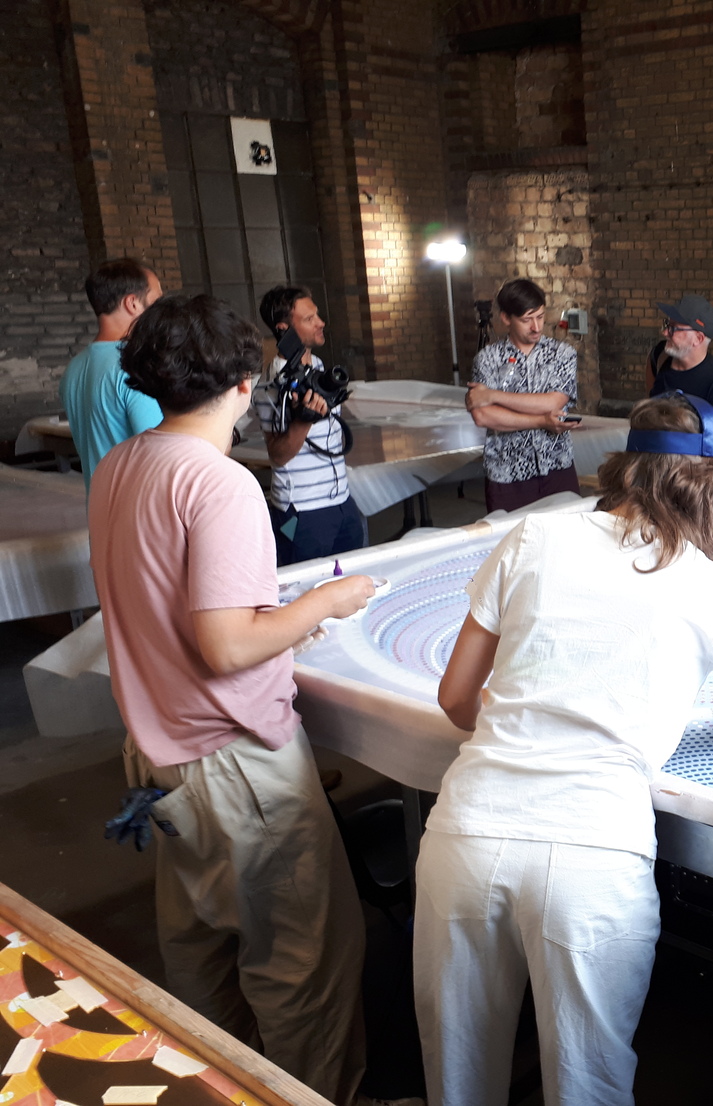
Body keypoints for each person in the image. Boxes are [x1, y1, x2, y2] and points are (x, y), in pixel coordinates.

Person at [415, 393, 713, 1106]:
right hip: (592, 855)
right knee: (587, 1085)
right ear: (709, 485)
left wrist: (536, 715)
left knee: (457, 1081)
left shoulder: (535, 536)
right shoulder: (704, 579)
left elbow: (456, 698)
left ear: (623, 466)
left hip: (467, 832)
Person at [89, 294, 371, 1104]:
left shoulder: (122, 464)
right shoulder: (219, 483)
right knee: (302, 965)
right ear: (245, 383)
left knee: (201, 950)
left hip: (159, 752)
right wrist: (323, 603)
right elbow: (226, 645)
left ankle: (221, 1089)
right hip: (233, 764)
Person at [253, 285, 365, 565]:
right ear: (284, 329)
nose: (321, 323)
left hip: (342, 501)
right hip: (302, 511)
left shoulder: (318, 367)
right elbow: (278, 455)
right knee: (305, 585)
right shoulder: (271, 385)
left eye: (317, 315)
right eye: (309, 319)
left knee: (352, 578)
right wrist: (303, 421)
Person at [466, 278, 580, 513]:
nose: (536, 327)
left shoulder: (562, 354)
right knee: (511, 535)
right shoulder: (488, 359)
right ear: (506, 318)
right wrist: (542, 421)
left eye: (540, 317)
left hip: (557, 466)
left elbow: (554, 401)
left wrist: (494, 396)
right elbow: (484, 416)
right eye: (527, 320)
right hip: (506, 472)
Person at [60, 258, 164, 490]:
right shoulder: (135, 365)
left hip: (99, 507)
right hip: (140, 507)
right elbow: (165, 453)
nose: (161, 312)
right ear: (132, 303)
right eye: (157, 301)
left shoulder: (73, 368)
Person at [647, 294, 713, 444]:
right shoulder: (661, 357)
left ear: (698, 339)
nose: (664, 333)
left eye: (673, 328)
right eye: (667, 324)